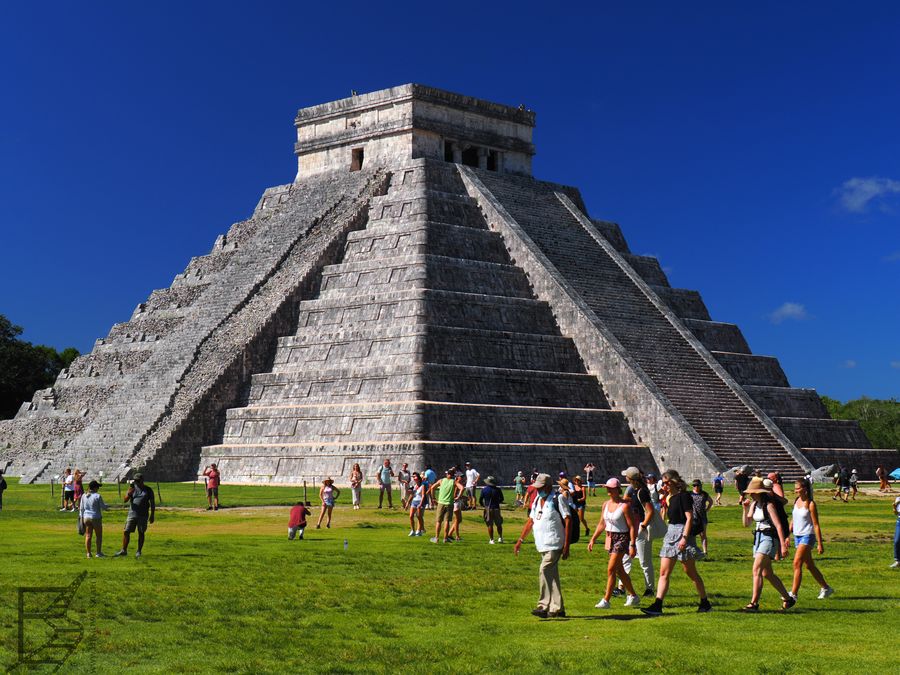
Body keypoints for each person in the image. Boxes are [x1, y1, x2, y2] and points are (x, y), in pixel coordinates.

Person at [641, 470, 711, 616]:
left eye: (666, 482)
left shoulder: (684, 496)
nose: (664, 485)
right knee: (663, 572)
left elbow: (689, 518)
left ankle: (705, 602)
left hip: (683, 533)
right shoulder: (669, 498)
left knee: (690, 572)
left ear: (674, 481)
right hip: (671, 533)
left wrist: (685, 538)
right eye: (663, 482)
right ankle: (657, 605)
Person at [514, 473, 572, 618]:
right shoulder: (537, 500)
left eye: (540, 487)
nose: (538, 490)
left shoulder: (557, 498)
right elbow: (531, 521)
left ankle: (543, 605)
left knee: (544, 569)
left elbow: (568, 520)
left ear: (547, 486)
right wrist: (520, 540)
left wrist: (566, 545)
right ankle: (558, 608)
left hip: (555, 542)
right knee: (551, 575)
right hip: (542, 543)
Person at [740, 476, 794, 611]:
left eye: (752, 492)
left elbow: (779, 526)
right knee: (767, 573)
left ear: (758, 492)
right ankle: (788, 599)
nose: (750, 494)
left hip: (769, 538)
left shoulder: (769, 505)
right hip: (758, 538)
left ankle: (754, 603)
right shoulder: (753, 504)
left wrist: (782, 545)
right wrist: (745, 509)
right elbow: (746, 524)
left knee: (756, 569)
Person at [588, 478, 640, 608]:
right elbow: (602, 523)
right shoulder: (605, 504)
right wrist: (593, 538)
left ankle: (606, 600)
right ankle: (633, 595)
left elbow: (632, 526)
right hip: (609, 538)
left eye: (611, 488)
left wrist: (633, 544)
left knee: (611, 568)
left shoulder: (625, 506)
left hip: (622, 539)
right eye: (607, 488)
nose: (608, 490)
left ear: (617, 489)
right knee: (619, 570)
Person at [788, 478, 833, 600]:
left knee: (797, 563)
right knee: (809, 565)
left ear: (805, 489)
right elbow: (793, 519)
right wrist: (788, 536)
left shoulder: (811, 504)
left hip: (808, 536)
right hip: (797, 536)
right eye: (795, 488)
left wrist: (820, 543)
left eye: (798, 488)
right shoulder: (796, 501)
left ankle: (793, 594)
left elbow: (816, 524)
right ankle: (826, 588)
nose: (795, 490)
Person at [620, 466, 655, 597]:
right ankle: (621, 586)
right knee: (626, 557)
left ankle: (649, 589)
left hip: (640, 528)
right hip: (633, 528)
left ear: (630, 478)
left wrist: (643, 526)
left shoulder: (642, 491)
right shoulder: (634, 490)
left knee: (644, 561)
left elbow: (650, 511)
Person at [114, 473, 155, 558]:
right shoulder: (132, 488)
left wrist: (152, 515)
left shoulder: (148, 490)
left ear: (142, 480)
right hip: (132, 514)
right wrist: (129, 494)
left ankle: (139, 551)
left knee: (141, 532)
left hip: (143, 515)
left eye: (138, 481)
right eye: (135, 481)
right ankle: (124, 550)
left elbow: (152, 503)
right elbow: (125, 500)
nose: (136, 482)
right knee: (126, 531)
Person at [429, 469, 463, 543]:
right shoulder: (454, 482)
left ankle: (437, 538)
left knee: (438, 521)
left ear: (447, 474)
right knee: (447, 521)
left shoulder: (441, 480)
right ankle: (445, 538)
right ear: (453, 475)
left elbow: (432, 488)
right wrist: (458, 497)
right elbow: (462, 488)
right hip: (449, 503)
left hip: (441, 503)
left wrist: (433, 498)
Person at [79, 480, 109, 558]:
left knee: (88, 536)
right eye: (98, 487)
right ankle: (98, 553)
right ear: (95, 488)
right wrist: (108, 507)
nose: (98, 488)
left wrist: (81, 518)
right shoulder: (97, 496)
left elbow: (81, 508)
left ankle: (88, 553)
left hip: (86, 517)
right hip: (96, 517)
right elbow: (103, 507)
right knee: (98, 536)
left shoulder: (84, 495)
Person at [479, 476, 505, 544]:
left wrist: (484, 506)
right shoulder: (498, 489)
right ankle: (500, 537)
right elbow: (502, 499)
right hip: (496, 508)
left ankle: (492, 539)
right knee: (499, 524)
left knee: (490, 525)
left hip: (488, 508)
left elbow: (480, 500)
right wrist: (497, 502)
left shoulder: (484, 490)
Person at [691, 480, 713, 555]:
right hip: (693, 517)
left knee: (703, 535)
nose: (696, 487)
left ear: (700, 485)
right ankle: (693, 550)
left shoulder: (704, 494)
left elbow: (711, 501)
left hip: (702, 517)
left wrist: (707, 509)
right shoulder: (689, 494)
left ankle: (705, 551)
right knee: (692, 535)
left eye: (697, 485)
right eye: (694, 485)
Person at [891, 494, 900, 569]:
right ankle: (897, 561)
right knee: (897, 541)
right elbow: (896, 513)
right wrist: (894, 507)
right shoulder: (898, 499)